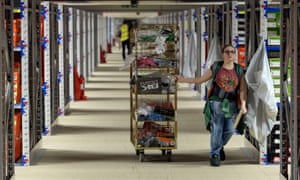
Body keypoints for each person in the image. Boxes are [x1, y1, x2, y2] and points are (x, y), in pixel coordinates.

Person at [175, 44, 247, 166]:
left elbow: (242, 90)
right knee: (217, 129)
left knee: (229, 130)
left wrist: (244, 104)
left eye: (232, 52)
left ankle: (218, 147)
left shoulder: (239, 70)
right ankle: (214, 154)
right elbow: (199, 80)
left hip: (231, 104)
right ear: (222, 54)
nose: (230, 54)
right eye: (227, 52)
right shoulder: (216, 67)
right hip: (217, 102)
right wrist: (182, 79)